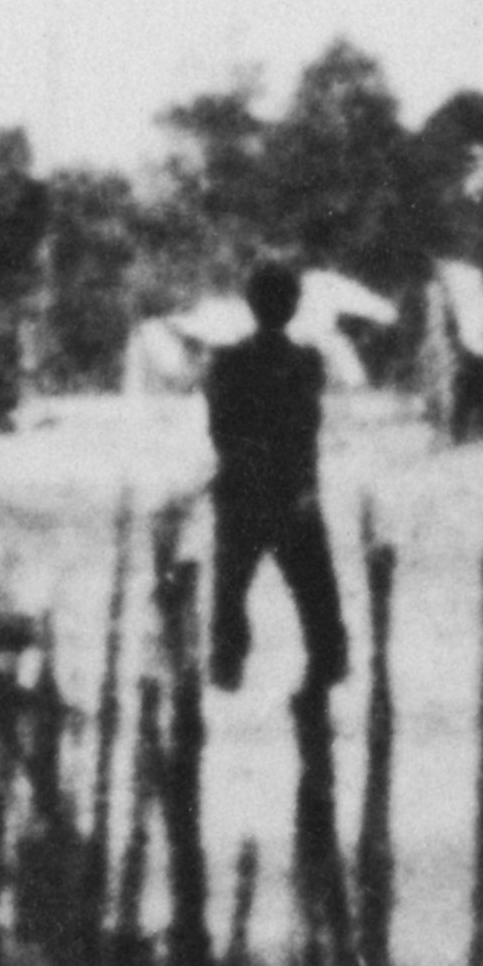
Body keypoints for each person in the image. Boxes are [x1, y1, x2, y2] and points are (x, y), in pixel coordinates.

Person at [203, 262, 350, 696]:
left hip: (242, 488)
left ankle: (227, 670)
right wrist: (303, 483)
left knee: (231, 590)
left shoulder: (226, 362)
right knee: (315, 592)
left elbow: (221, 429)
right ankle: (327, 667)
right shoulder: (306, 363)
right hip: (290, 491)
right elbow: (306, 431)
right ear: (295, 306)